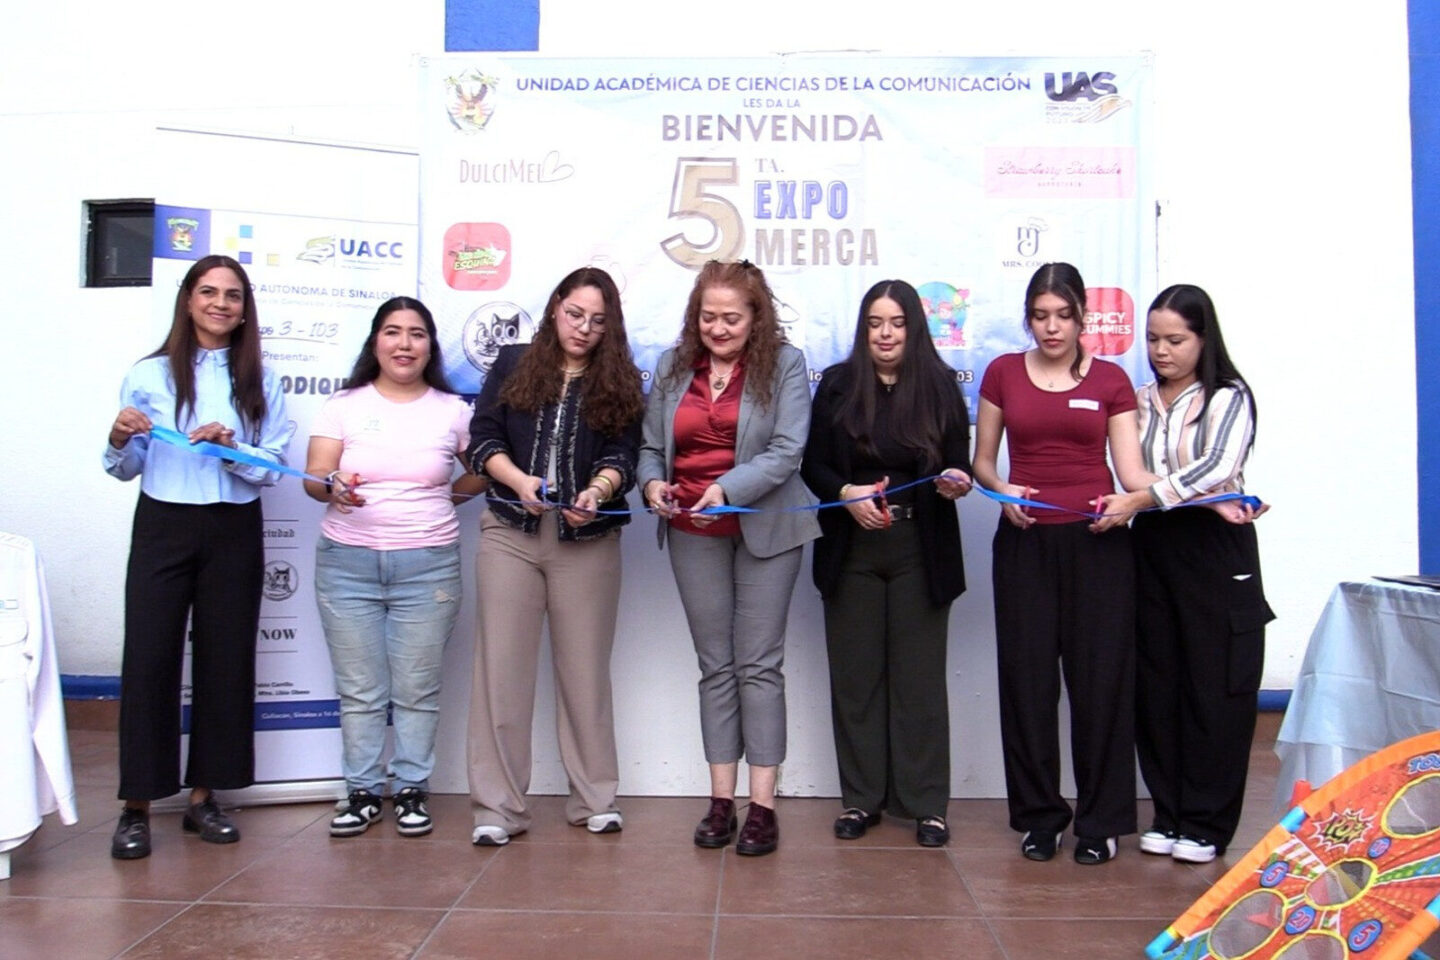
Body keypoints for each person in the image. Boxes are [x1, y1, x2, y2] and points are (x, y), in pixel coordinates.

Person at [103, 254, 293, 860]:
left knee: (226, 658)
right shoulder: (148, 373)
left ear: (244, 310)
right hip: (163, 522)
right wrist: (116, 438)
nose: (220, 303)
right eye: (208, 292)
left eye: (232, 295)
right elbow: (127, 466)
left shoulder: (262, 381)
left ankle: (204, 798)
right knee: (150, 657)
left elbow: (273, 468)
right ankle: (137, 807)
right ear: (187, 301)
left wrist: (232, 447)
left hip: (234, 526)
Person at [971, 262, 1154, 865]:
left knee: (1100, 686)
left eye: (1063, 316)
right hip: (1024, 545)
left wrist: (1157, 500)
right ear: (1029, 318)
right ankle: (1040, 817)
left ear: (1082, 319)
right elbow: (984, 465)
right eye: (1041, 316)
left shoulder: (1111, 381)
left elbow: (1131, 474)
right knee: (1027, 685)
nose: (1051, 327)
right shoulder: (1001, 373)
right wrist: (1004, 492)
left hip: (1097, 544)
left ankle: (1100, 822)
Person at [638, 259, 820, 857]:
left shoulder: (785, 364)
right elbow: (649, 447)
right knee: (715, 664)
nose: (718, 328)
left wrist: (729, 488)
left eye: (732, 318)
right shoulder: (670, 367)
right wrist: (651, 485)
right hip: (692, 528)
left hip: (767, 526)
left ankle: (762, 806)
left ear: (756, 318)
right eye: (708, 316)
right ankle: (720, 801)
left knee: (759, 666)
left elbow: (790, 450)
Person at [466, 266, 645, 846]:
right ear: (554, 308)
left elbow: (626, 454)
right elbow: (482, 437)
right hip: (509, 536)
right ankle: (498, 808)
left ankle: (595, 799)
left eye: (598, 321)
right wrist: (518, 480)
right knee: (502, 674)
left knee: (585, 674)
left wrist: (599, 491)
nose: (584, 329)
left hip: (587, 544)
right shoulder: (514, 363)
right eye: (575, 314)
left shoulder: (620, 380)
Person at [1096, 284, 1273, 864]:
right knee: (1159, 682)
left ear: (1203, 338)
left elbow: (1218, 465)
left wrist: (1155, 497)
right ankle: (1168, 813)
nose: (1161, 351)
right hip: (1153, 548)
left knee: (1213, 686)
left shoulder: (1230, 396)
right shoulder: (1141, 399)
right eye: (1152, 339)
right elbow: (1133, 472)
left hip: (1215, 553)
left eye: (1175, 339)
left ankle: (1206, 823)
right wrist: (1179, 497)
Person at [303, 296, 483, 838]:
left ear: (430, 346)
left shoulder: (453, 410)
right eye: (392, 332)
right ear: (375, 342)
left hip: (427, 568)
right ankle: (360, 791)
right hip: (346, 565)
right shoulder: (343, 404)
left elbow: (483, 472)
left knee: (416, 689)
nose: (404, 344)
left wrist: (440, 500)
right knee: (360, 689)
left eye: (417, 334)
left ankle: (410, 789)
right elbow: (315, 476)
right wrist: (333, 487)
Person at [802, 280, 973, 848]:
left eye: (896, 323)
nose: (885, 334)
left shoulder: (942, 386)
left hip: (919, 550)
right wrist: (847, 492)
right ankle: (860, 800)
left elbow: (957, 464)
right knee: (856, 681)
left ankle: (927, 805)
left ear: (914, 328)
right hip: (852, 551)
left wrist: (955, 481)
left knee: (919, 683)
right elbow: (813, 466)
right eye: (875, 323)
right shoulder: (838, 385)